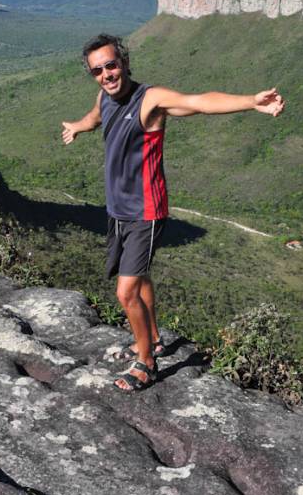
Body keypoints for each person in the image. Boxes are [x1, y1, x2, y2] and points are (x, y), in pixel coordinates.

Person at [61, 33, 285, 393]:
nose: (106, 74)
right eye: (98, 70)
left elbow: (198, 102)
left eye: (112, 65)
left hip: (145, 211)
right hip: (117, 209)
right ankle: (151, 337)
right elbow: (95, 117)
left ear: (125, 62)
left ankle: (147, 362)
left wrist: (251, 102)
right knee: (139, 275)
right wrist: (77, 126)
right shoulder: (104, 96)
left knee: (126, 292)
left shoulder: (151, 99)